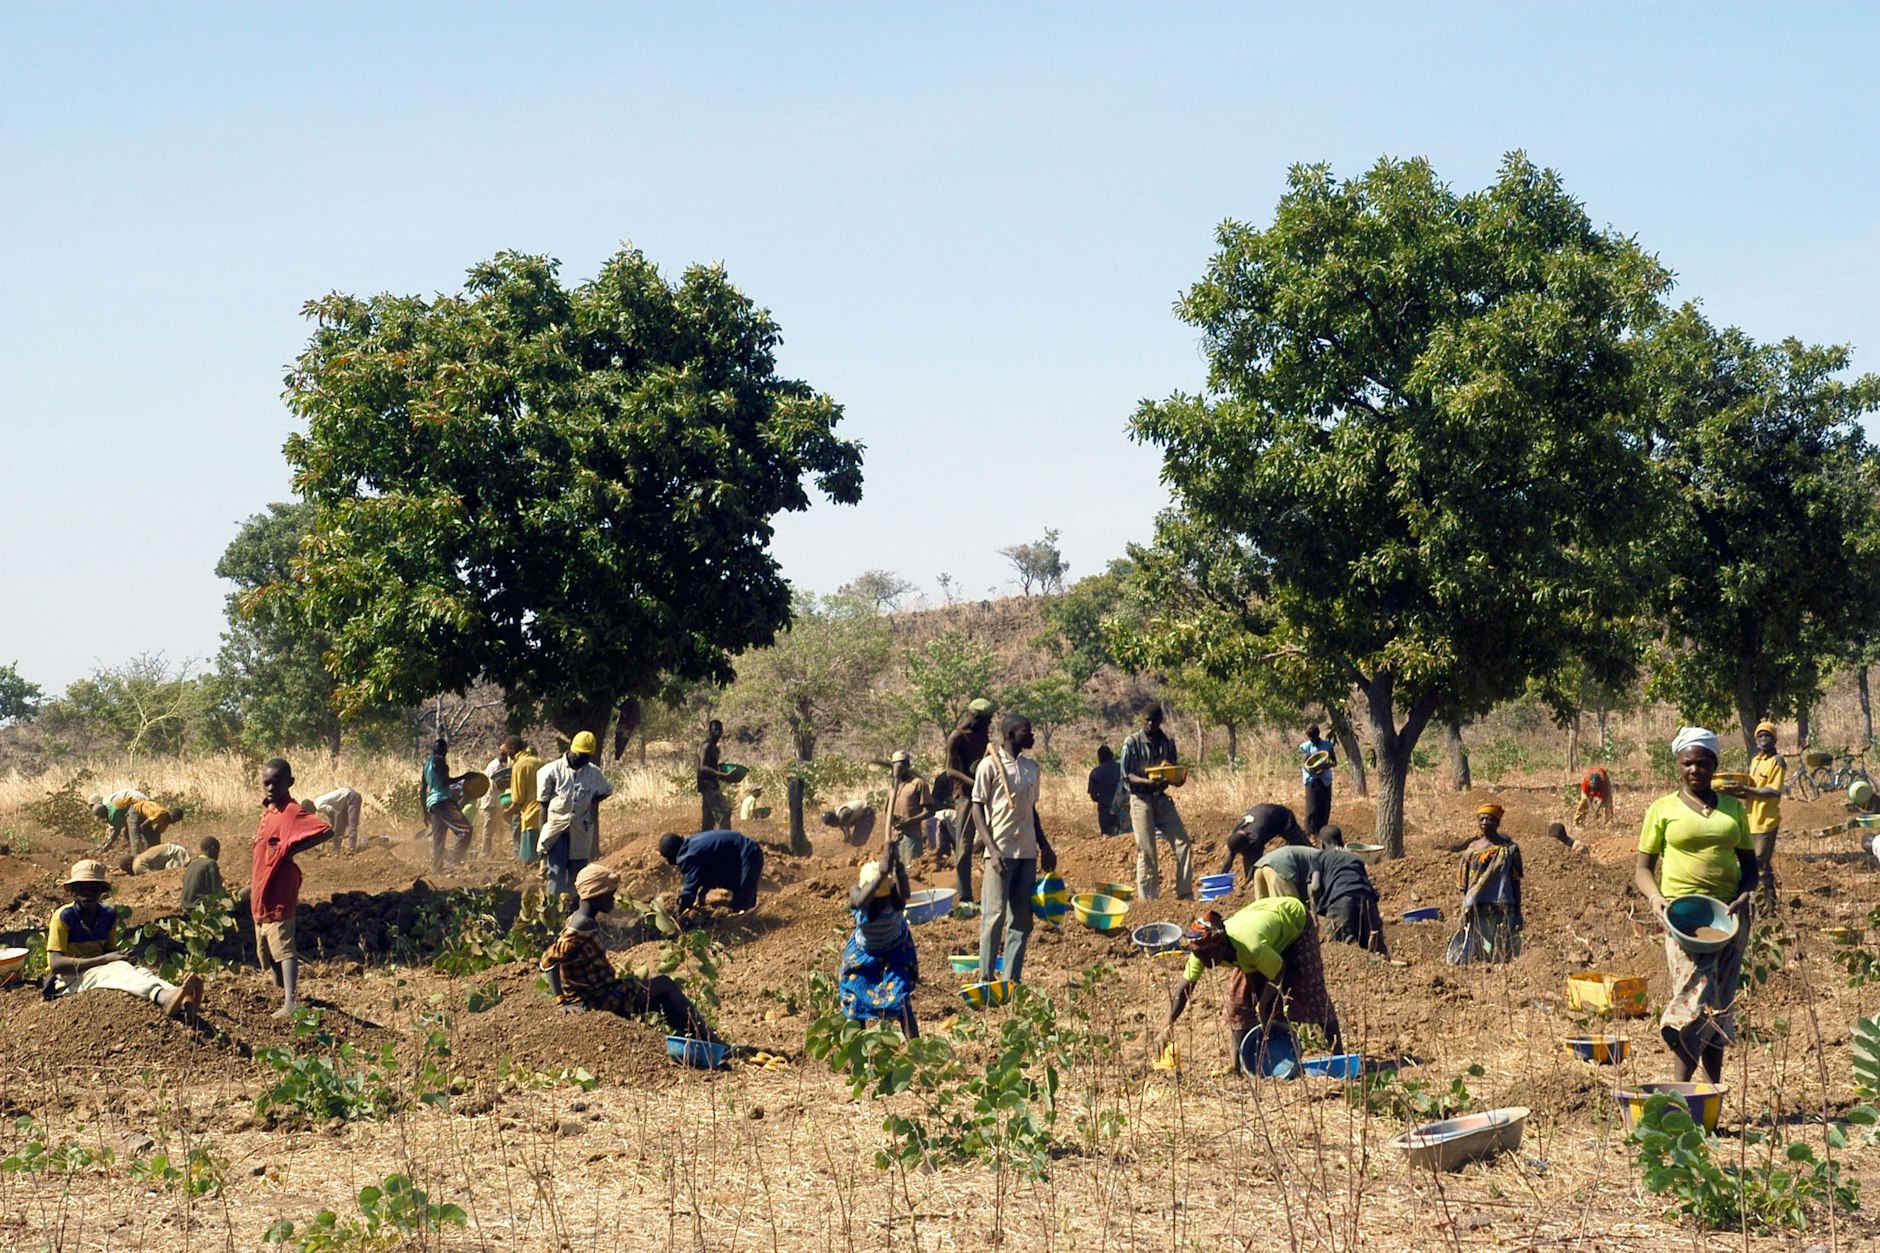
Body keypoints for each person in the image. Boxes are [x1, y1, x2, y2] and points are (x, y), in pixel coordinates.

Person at [1635, 727, 1757, 1085]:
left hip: (1729, 918)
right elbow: (1643, 869)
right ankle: (1683, 1091)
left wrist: (1746, 893)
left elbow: (1750, 869)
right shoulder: (1662, 809)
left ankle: (1712, 1092)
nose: (1695, 770)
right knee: (1693, 998)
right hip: (1683, 919)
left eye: (1703, 763)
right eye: (1688, 763)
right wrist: (1656, 898)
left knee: (1719, 1002)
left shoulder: (1733, 808)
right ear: (1678, 765)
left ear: (1715, 765)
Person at [541, 864, 721, 1043]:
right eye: (610, 895)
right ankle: (713, 1042)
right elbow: (548, 960)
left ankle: (702, 1042)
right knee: (665, 985)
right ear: (596, 894)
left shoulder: (578, 919)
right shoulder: (582, 925)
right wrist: (562, 1002)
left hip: (603, 993)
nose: (613, 899)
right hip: (599, 999)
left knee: (661, 1000)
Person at [1163, 897, 1342, 1067]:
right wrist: (1166, 1028)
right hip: (1264, 933)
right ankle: (1236, 1067)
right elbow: (1183, 991)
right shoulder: (1201, 950)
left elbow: (1279, 971)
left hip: (1294, 921)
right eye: (1199, 956)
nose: (1202, 961)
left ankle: (1339, 1056)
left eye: (1206, 956)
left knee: (1311, 989)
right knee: (1238, 1002)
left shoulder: (1251, 947)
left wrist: (1263, 1005)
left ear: (1222, 947)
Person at [45, 859, 202, 1016]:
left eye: (93, 888)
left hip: (97, 970)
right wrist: (106, 959)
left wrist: (121, 956)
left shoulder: (108, 915)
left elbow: (109, 952)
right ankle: (162, 997)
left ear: (101, 891)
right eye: (82, 888)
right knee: (117, 969)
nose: (88, 893)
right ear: (73, 891)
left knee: (138, 971)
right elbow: (56, 964)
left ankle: (181, 997)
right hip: (67, 979)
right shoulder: (64, 916)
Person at [971, 713, 1057, 984]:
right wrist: (992, 850)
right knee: (994, 916)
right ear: (1010, 735)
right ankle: (986, 979)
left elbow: (1031, 810)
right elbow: (977, 808)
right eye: (1026, 732)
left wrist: (1044, 846)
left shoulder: (1031, 768)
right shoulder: (989, 766)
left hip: (1026, 853)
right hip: (1001, 852)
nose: (1032, 736)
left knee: (1021, 919)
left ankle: (1011, 980)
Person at [253, 757, 334, 1017]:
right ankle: (281, 991)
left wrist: (291, 851)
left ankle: (291, 1002)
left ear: (290, 782)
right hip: (262, 889)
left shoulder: (291, 811)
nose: (270, 787)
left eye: (277, 782)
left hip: (280, 888)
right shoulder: (268, 809)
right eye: (266, 782)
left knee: (283, 945)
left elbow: (325, 830)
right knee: (266, 945)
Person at [838, 834, 921, 1035]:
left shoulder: (888, 902)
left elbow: (902, 892)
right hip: (865, 954)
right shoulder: (874, 902)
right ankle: (858, 1047)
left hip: (895, 951)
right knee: (857, 996)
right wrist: (887, 873)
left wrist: (895, 865)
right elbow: (860, 900)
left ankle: (914, 1050)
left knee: (898, 998)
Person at [1122, 701, 1192, 900]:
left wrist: (1175, 775)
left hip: (1161, 799)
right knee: (1147, 850)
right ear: (1143, 719)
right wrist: (1148, 781)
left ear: (1161, 720)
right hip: (1141, 800)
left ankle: (1185, 894)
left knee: (1183, 843)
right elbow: (1126, 775)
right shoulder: (1132, 742)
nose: (1151, 724)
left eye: (1154, 720)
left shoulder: (1167, 742)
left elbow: (1175, 776)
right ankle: (1149, 899)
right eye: (1147, 720)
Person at [537, 731, 613, 902]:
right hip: (557, 830)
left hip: (580, 830)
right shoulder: (551, 771)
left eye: (588, 756)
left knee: (578, 874)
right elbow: (543, 805)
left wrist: (589, 803)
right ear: (572, 751)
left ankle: (573, 913)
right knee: (555, 873)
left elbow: (606, 790)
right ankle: (552, 911)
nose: (584, 760)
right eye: (581, 755)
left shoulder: (594, 773)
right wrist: (544, 834)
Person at [1447, 804, 1524, 964]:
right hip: (1480, 908)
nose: (1484, 822)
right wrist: (1465, 907)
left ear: (1497, 823)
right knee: (1485, 953)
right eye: (1481, 819)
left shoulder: (1509, 849)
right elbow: (1465, 884)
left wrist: (1518, 913)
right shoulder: (1472, 850)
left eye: (1489, 819)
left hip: (1504, 907)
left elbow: (1516, 883)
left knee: (1504, 952)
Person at [944, 698, 998, 901]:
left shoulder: (981, 734)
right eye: (987, 720)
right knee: (964, 847)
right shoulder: (956, 737)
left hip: (985, 792)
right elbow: (950, 771)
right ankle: (966, 897)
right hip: (966, 796)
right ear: (975, 717)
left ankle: (993, 891)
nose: (989, 724)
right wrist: (975, 782)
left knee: (993, 838)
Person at [1733, 721, 1786, 911]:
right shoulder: (1756, 761)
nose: (1764, 740)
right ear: (1756, 740)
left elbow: (1773, 791)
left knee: (1759, 866)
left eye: (1768, 736)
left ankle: (1764, 910)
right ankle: (1769, 905)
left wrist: (1746, 789)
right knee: (1759, 866)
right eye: (1760, 736)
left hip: (1766, 822)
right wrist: (1733, 792)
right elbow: (1752, 791)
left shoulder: (1777, 761)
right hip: (1750, 820)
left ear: (1774, 739)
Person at [660, 828, 765, 919]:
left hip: (748, 852)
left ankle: (750, 926)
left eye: (668, 856)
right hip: (741, 853)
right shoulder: (691, 843)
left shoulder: (688, 855)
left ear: (673, 851)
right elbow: (709, 872)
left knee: (743, 900)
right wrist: (703, 892)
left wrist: (681, 913)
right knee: (742, 893)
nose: (669, 862)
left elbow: (689, 889)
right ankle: (753, 915)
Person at [1313, 827, 1388, 955]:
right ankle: (1380, 972)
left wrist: (1316, 908)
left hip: (1341, 899)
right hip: (1368, 899)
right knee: (1375, 949)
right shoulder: (1354, 857)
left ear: (1322, 843)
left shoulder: (1320, 856)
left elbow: (1314, 886)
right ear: (1342, 841)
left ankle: (1349, 974)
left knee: (1340, 949)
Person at [1219, 804, 1309, 884]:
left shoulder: (1256, 836)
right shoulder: (1236, 834)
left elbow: (1256, 863)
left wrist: (1248, 881)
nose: (1242, 854)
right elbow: (1229, 860)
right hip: (1265, 815)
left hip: (1284, 819)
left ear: (1248, 843)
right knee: (1249, 854)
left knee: (1304, 848)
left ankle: (1318, 866)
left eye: (1242, 851)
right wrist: (1220, 878)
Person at [422, 739, 474, 873]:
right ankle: (453, 861)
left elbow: (422, 789)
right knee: (466, 830)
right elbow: (444, 781)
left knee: (438, 839)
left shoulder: (426, 764)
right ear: (445, 750)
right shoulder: (440, 762)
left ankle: (437, 868)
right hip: (443, 800)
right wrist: (464, 777)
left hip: (432, 804)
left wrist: (425, 812)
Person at [887, 750, 934, 865]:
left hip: (911, 837)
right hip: (894, 838)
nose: (899, 767)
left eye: (902, 763)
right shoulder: (892, 788)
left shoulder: (918, 783)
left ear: (908, 765)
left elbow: (930, 811)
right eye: (895, 764)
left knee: (910, 870)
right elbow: (887, 813)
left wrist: (911, 820)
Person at [1252, 830, 1322, 902]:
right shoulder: (1330, 863)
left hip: (1261, 865)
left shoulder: (1321, 856)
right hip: (1280, 868)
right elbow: (1315, 888)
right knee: (1289, 908)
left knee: (1264, 908)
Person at [504, 736, 543, 863]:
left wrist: (508, 811)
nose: (507, 754)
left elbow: (518, 798)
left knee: (530, 861)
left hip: (530, 815)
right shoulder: (538, 761)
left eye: (507, 751)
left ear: (513, 749)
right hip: (543, 813)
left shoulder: (519, 765)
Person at [697, 720, 737, 832]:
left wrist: (725, 776)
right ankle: (725, 841)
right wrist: (721, 774)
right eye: (716, 730)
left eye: (720, 730)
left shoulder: (715, 748)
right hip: (708, 785)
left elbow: (712, 768)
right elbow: (702, 767)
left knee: (708, 818)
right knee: (724, 812)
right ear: (710, 731)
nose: (718, 733)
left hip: (711, 784)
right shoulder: (707, 745)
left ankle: (705, 841)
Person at [1299, 724, 1337, 837]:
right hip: (1312, 779)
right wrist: (1314, 771)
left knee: (1324, 806)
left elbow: (1334, 762)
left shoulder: (1327, 746)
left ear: (1318, 734)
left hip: (1325, 779)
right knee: (1312, 807)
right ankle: (1310, 833)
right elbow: (1305, 764)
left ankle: (1322, 831)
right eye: (1310, 737)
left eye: (1314, 737)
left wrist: (1325, 766)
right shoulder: (1306, 747)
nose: (1312, 740)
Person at [90, 788, 148, 854]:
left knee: (134, 834)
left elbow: (116, 832)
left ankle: (138, 854)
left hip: (138, 804)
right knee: (128, 834)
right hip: (135, 804)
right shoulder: (108, 806)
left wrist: (105, 847)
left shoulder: (112, 811)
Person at [480, 744, 514, 857]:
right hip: (491, 800)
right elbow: (492, 785)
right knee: (489, 827)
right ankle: (485, 851)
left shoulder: (502, 765)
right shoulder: (495, 766)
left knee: (499, 827)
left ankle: (499, 850)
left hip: (498, 800)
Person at [312, 786, 364, 853]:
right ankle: (336, 849)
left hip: (352, 798)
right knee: (341, 827)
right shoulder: (317, 801)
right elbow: (333, 817)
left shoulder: (319, 806)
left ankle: (351, 849)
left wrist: (335, 831)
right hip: (344, 803)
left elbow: (337, 814)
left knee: (352, 825)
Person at [180, 836, 225, 911]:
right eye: (218, 851)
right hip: (200, 907)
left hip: (186, 906)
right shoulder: (210, 863)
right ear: (213, 848)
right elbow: (217, 890)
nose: (218, 855)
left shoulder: (192, 864)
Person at [1087, 745, 1123, 836]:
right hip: (1123, 809)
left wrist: (1103, 799)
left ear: (1099, 758)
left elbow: (1094, 796)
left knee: (1107, 838)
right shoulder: (1122, 769)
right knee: (1125, 837)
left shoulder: (1096, 773)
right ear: (1112, 755)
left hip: (1105, 811)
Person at [118, 842, 189, 875]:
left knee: (170, 873)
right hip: (175, 850)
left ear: (128, 865)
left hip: (175, 854)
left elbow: (152, 876)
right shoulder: (139, 858)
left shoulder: (136, 866)